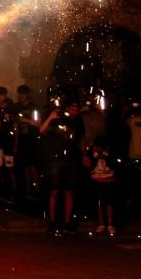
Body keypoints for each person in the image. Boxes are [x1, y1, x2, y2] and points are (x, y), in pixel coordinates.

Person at [41, 99, 85, 235]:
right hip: (56, 159)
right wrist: (51, 117)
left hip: (71, 160)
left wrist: (84, 155)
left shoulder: (78, 122)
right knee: (54, 191)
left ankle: (67, 224)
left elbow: (81, 139)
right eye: (72, 107)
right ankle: (53, 223)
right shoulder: (58, 120)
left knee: (69, 191)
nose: (74, 110)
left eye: (77, 108)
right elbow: (42, 130)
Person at [88, 136, 119, 235]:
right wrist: (94, 156)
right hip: (97, 180)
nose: (100, 149)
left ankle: (110, 224)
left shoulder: (110, 156)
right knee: (99, 202)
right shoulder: (93, 156)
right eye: (98, 147)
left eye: (102, 147)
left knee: (109, 202)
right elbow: (89, 166)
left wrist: (106, 156)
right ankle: (101, 224)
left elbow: (114, 166)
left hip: (109, 180)